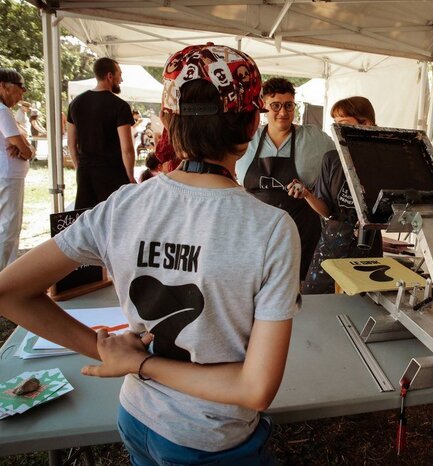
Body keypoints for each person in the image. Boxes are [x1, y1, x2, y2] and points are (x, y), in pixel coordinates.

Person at [0, 44, 300, 464]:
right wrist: (139, 363)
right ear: (253, 123)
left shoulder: (122, 205)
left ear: (167, 118)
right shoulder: (270, 229)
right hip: (208, 436)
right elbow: (255, 390)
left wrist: (114, 354)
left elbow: (9, 292)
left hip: (137, 417)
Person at [236, 77, 335, 281]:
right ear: (264, 106)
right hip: (255, 234)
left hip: (301, 233)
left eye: (289, 105)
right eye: (276, 106)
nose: (283, 112)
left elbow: (341, 161)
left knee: (299, 294)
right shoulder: (247, 139)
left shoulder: (313, 138)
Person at [290, 96, 383, 294]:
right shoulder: (331, 159)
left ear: (366, 124)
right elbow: (327, 211)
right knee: (316, 303)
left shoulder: (382, 160)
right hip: (331, 246)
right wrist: (307, 194)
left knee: (361, 306)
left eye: (344, 124)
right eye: (335, 124)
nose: (336, 130)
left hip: (367, 247)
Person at [67, 57, 136, 209]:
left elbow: (71, 143)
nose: (121, 79)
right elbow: (127, 148)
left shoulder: (75, 103)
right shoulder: (120, 106)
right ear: (109, 76)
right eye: (119, 74)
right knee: (113, 218)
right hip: (113, 172)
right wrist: (130, 176)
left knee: (86, 218)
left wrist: (80, 168)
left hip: (86, 171)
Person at [0, 69, 33, 272]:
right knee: (8, 229)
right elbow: (23, 147)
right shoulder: (3, 111)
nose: (22, 95)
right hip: (8, 175)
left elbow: (20, 142)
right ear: (4, 86)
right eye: (20, 89)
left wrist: (22, 145)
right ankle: (6, 278)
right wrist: (25, 148)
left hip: (7, 174)